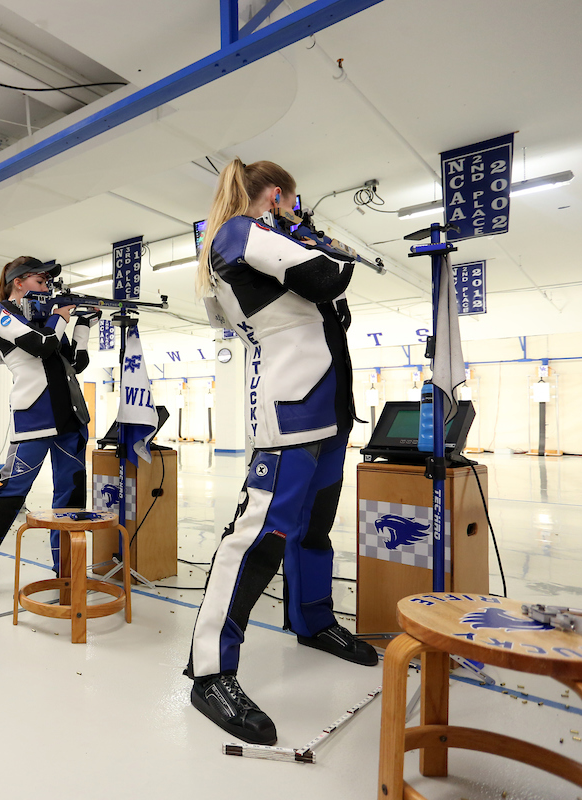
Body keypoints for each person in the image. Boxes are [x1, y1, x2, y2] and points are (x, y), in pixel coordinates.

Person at [185, 158, 372, 746]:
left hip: (327, 408)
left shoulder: (265, 237)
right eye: (291, 201)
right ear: (274, 195)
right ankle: (211, 672)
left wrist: (307, 238)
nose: (295, 209)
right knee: (260, 535)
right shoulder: (240, 232)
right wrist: (316, 238)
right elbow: (327, 279)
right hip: (291, 411)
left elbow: (329, 306)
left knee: (314, 530)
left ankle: (313, 621)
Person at [0, 256, 96, 606]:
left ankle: (66, 571)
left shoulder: (44, 316)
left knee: (70, 500)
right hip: (34, 416)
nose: (47, 286)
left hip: (70, 415)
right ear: (18, 281)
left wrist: (83, 325)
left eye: (49, 282)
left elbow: (75, 361)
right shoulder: (0, 311)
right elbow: (42, 344)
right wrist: (61, 315)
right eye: (40, 280)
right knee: (9, 494)